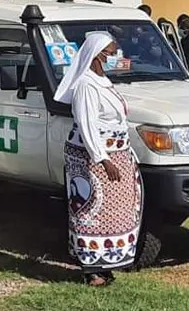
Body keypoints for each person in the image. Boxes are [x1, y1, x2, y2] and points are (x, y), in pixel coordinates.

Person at [53, 32, 142, 286]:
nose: (116, 57)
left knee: (115, 211)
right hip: (93, 157)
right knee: (91, 209)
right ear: (97, 55)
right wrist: (102, 159)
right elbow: (87, 124)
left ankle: (108, 262)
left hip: (117, 153)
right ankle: (91, 267)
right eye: (112, 52)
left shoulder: (103, 81)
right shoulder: (86, 85)